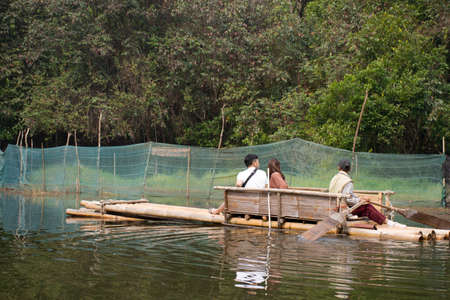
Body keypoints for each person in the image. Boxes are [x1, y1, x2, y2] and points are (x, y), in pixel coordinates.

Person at [329, 159, 405, 227]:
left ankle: (385, 221)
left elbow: (346, 195)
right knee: (367, 207)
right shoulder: (347, 181)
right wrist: (360, 201)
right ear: (349, 169)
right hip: (343, 209)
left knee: (365, 207)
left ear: (338, 168)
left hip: (333, 206)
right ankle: (388, 222)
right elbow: (348, 199)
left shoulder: (334, 178)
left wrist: (359, 198)